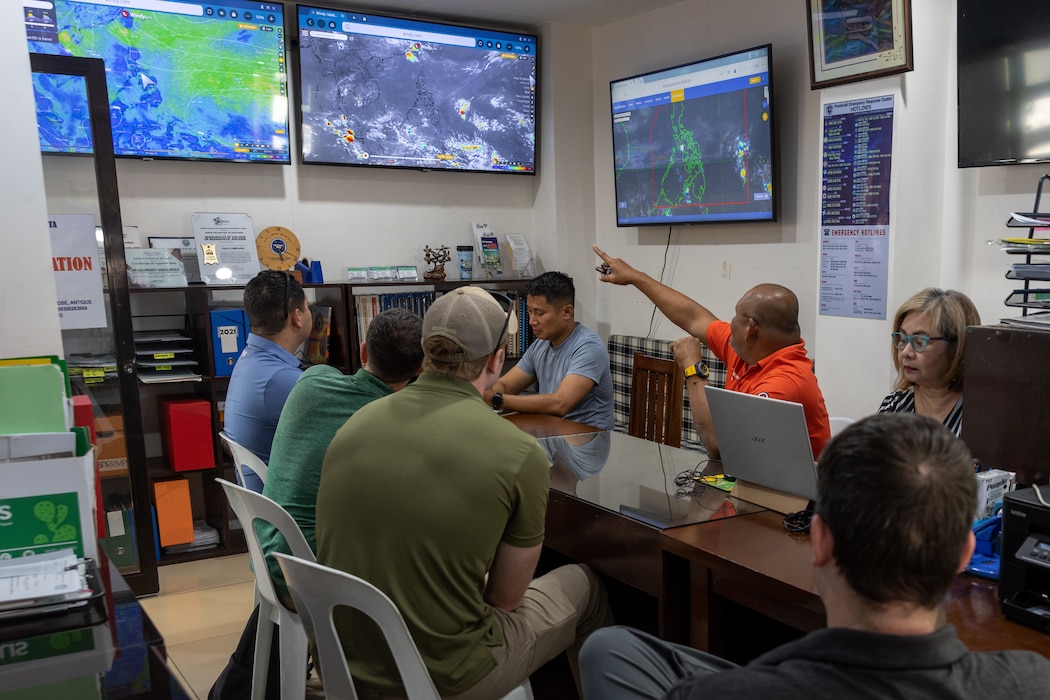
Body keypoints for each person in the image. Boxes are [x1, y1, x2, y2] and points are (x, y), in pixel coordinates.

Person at [579, 413, 1050, 699]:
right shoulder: (1033, 682)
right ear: (964, 552)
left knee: (608, 648)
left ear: (821, 541)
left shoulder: (721, 695)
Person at [316, 286, 611, 700]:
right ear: (497, 358)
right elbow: (506, 600)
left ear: (423, 351)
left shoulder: (356, 423)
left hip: (343, 662)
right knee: (587, 586)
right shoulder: (518, 453)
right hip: (447, 675)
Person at [209, 309, 424, 700]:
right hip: (313, 580)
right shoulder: (393, 422)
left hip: (270, 553)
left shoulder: (311, 380)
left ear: (362, 352)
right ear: (420, 369)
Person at [593, 245, 829, 459]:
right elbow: (694, 318)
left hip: (794, 500)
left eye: (736, 315)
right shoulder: (750, 350)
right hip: (755, 479)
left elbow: (719, 448)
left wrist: (692, 369)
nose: (730, 321)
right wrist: (636, 277)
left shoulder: (785, 383)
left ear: (750, 328)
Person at [484, 271, 614, 430]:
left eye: (540, 313)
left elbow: (560, 403)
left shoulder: (588, 347)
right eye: (530, 312)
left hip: (587, 440)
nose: (532, 321)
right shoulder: (541, 344)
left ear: (567, 312)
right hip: (553, 433)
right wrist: (484, 393)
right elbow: (505, 384)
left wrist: (496, 399)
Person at [223, 270, 311, 492]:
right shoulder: (281, 380)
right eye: (308, 307)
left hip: (267, 505)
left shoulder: (249, 360)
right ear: (297, 317)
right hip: (289, 512)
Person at [879, 288, 981, 436]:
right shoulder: (894, 406)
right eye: (902, 339)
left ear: (957, 347)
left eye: (919, 342)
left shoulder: (981, 416)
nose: (906, 352)